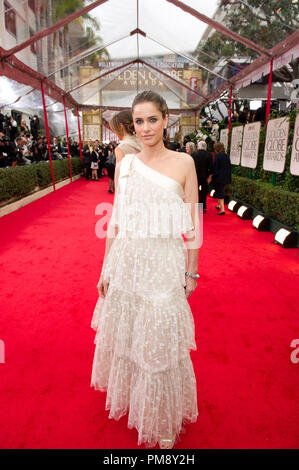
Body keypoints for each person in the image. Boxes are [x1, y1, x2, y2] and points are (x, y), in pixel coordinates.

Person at [90, 90, 199, 449]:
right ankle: (139, 403)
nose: (147, 127)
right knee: (132, 335)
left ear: (167, 120)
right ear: (132, 126)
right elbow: (116, 220)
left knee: (159, 342)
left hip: (164, 263)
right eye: (140, 121)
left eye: (153, 119)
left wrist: (192, 271)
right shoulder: (126, 165)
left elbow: (193, 224)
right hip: (128, 261)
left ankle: (161, 418)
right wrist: (106, 269)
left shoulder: (184, 163)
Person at [208, 141, 232, 215]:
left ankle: (222, 209)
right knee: (220, 190)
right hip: (226, 176)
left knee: (220, 192)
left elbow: (215, 167)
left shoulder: (217, 156)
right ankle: (218, 205)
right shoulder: (226, 156)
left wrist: (210, 176)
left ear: (216, 148)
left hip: (219, 177)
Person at [193, 141, 213, 212]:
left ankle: (196, 205)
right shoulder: (209, 155)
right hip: (205, 176)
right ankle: (203, 206)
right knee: (204, 192)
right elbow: (211, 167)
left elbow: (193, 166)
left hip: (196, 176)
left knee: (195, 191)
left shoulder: (195, 154)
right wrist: (210, 177)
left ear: (198, 146)